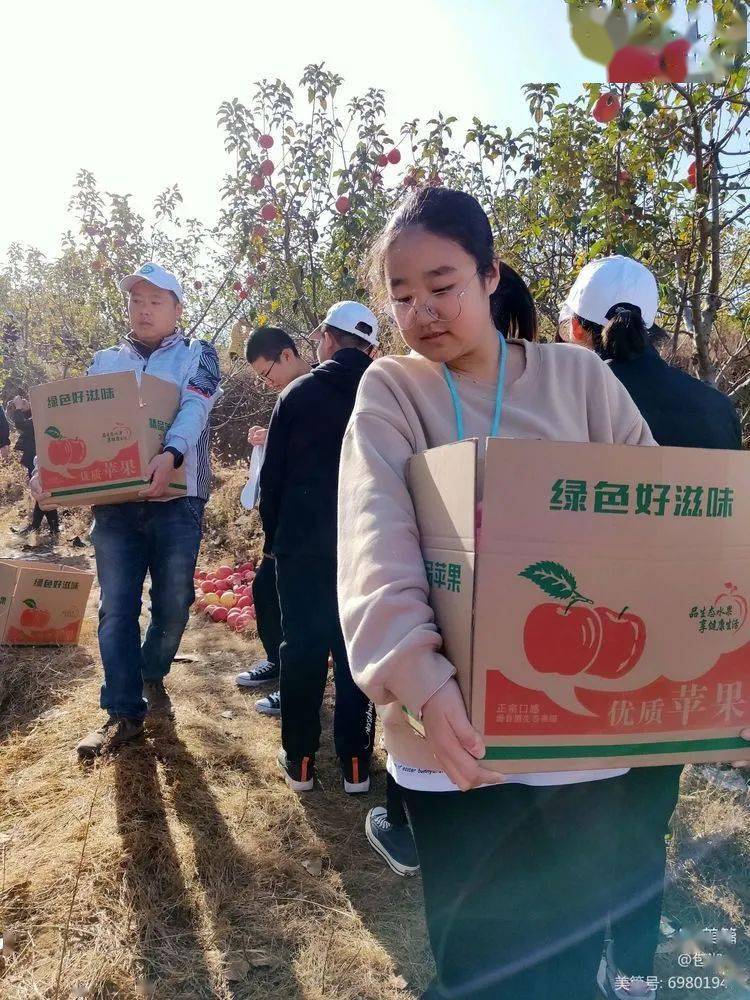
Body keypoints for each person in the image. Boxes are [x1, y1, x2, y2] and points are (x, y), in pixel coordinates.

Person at [337, 186, 659, 1000]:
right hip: (453, 743)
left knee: (565, 955)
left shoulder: (577, 380)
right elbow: (377, 542)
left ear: (490, 277)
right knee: (478, 962)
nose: (422, 312)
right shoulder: (392, 393)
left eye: (442, 286)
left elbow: (654, 516)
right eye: (401, 296)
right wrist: (421, 681)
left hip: (578, 739)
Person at [560, 255, 743, 1000]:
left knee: (567, 823)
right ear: (656, 328)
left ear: (577, 327)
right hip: (677, 654)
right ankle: (633, 970)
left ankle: (561, 967)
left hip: (574, 648)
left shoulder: (564, 403)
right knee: (644, 825)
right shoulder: (715, 412)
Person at [31, 262, 222, 758]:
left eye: (156, 301)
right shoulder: (104, 362)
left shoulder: (198, 355)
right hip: (115, 505)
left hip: (177, 499)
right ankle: (121, 710)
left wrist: (172, 453)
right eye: (137, 301)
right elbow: (71, 421)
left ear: (178, 310)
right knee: (116, 607)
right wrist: (45, 470)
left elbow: (195, 407)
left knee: (175, 602)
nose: (144, 310)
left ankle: (151, 669)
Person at [260, 301, 382, 796]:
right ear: (369, 347)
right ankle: (356, 765)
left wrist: (276, 541)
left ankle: (301, 762)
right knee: (357, 653)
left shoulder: (296, 394)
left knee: (303, 649)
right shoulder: (390, 393)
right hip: (370, 545)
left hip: (303, 546)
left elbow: (274, 480)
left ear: (328, 339)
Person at [235, 326, 310, 718]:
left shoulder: (320, 386)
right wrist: (268, 438)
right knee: (266, 591)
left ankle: (297, 686)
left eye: (267, 374)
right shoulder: (288, 394)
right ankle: (278, 664)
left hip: (312, 526)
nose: (267, 383)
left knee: (300, 609)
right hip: (284, 523)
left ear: (286, 355)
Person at [9, 396, 60, 542]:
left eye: (26, 402)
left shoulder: (41, 418)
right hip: (37, 458)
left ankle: (40, 527)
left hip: (40, 459)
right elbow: (23, 422)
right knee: (42, 492)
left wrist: (19, 407)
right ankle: (50, 528)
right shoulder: (36, 416)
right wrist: (21, 409)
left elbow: (22, 424)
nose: (25, 403)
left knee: (42, 491)